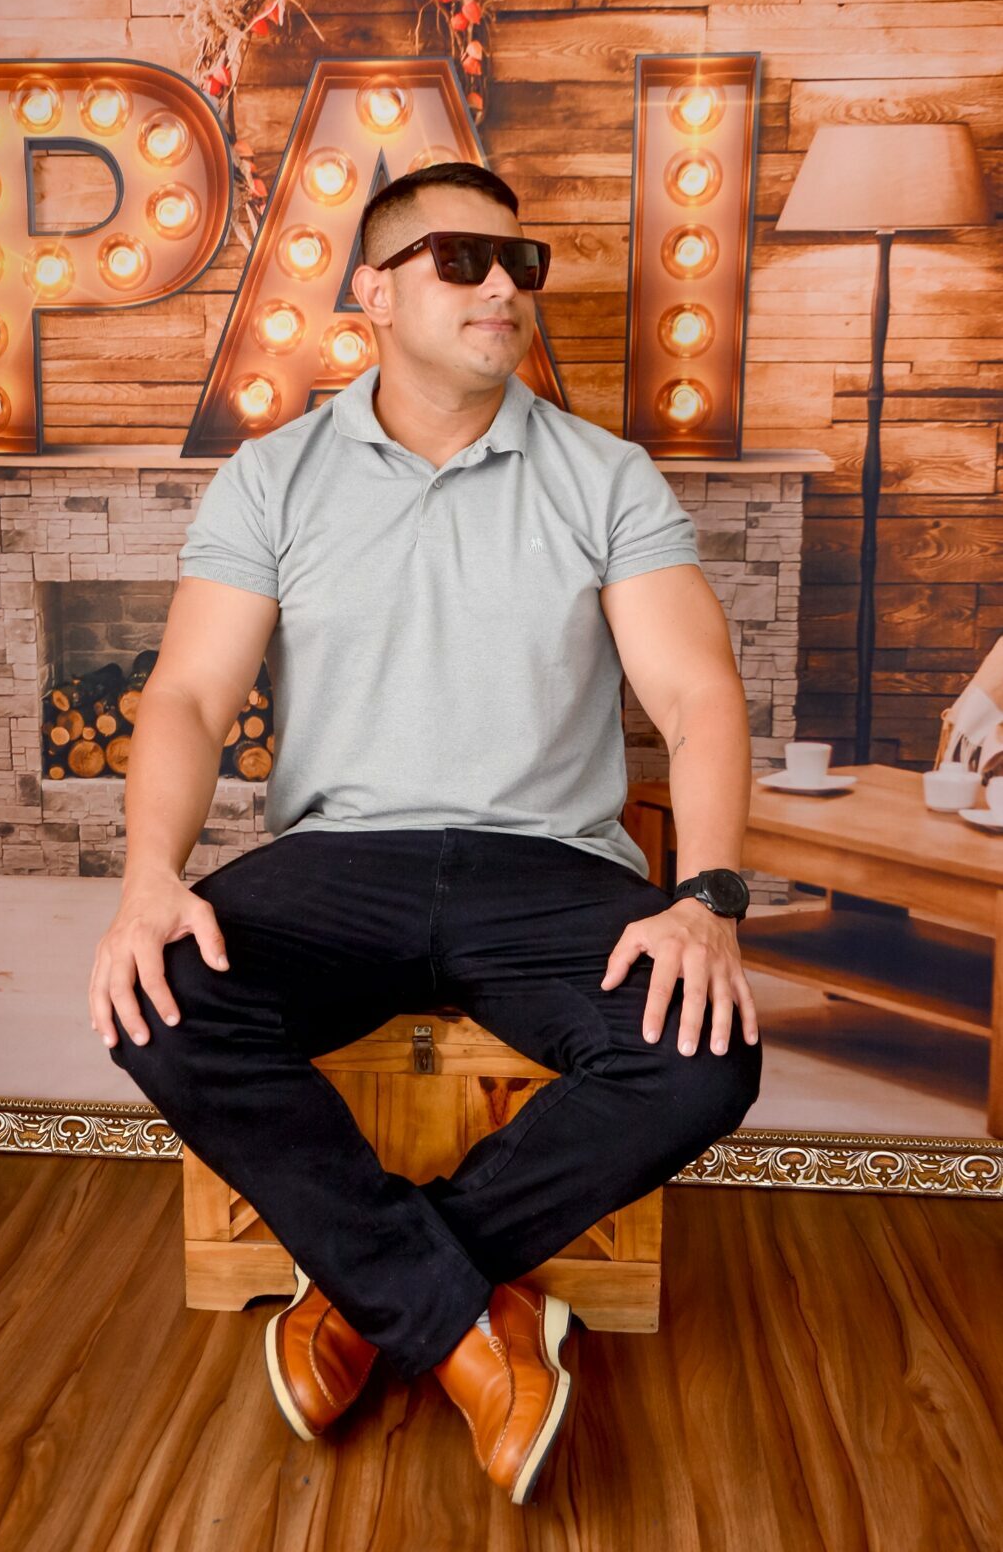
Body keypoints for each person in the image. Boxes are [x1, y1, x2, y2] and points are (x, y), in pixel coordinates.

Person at [88, 161, 762, 1506]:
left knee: (706, 1055)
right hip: (340, 866)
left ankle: (367, 1294)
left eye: (522, 263)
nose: (503, 284)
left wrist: (707, 899)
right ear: (374, 292)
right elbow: (190, 698)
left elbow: (696, 697)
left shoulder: (604, 477)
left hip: (550, 870)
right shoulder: (273, 478)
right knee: (155, 997)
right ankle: (466, 1321)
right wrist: (148, 879)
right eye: (460, 259)